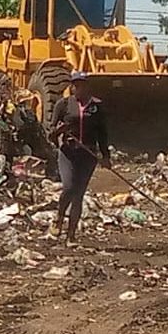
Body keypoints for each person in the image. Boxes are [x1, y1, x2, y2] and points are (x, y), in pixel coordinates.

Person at [49, 71, 111, 245]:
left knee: (79, 195)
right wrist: (57, 132)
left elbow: (102, 134)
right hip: (68, 153)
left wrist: (106, 155)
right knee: (68, 187)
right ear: (71, 86)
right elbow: (50, 133)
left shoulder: (96, 107)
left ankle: (71, 236)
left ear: (87, 86)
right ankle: (59, 217)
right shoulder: (63, 105)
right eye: (75, 85)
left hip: (88, 155)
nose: (78, 88)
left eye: (81, 84)